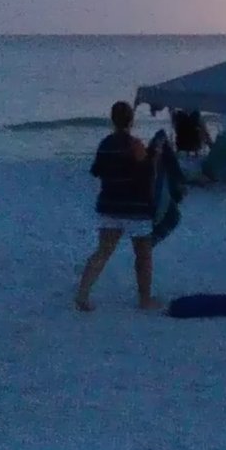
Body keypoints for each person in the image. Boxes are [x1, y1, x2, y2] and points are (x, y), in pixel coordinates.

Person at [75, 101, 160, 312]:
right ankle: (145, 299)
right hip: (136, 207)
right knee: (143, 254)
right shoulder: (136, 145)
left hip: (110, 204)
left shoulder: (105, 144)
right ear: (131, 120)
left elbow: (96, 171)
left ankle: (82, 294)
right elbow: (148, 174)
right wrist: (155, 157)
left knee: (102, 252)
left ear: (112, 120)